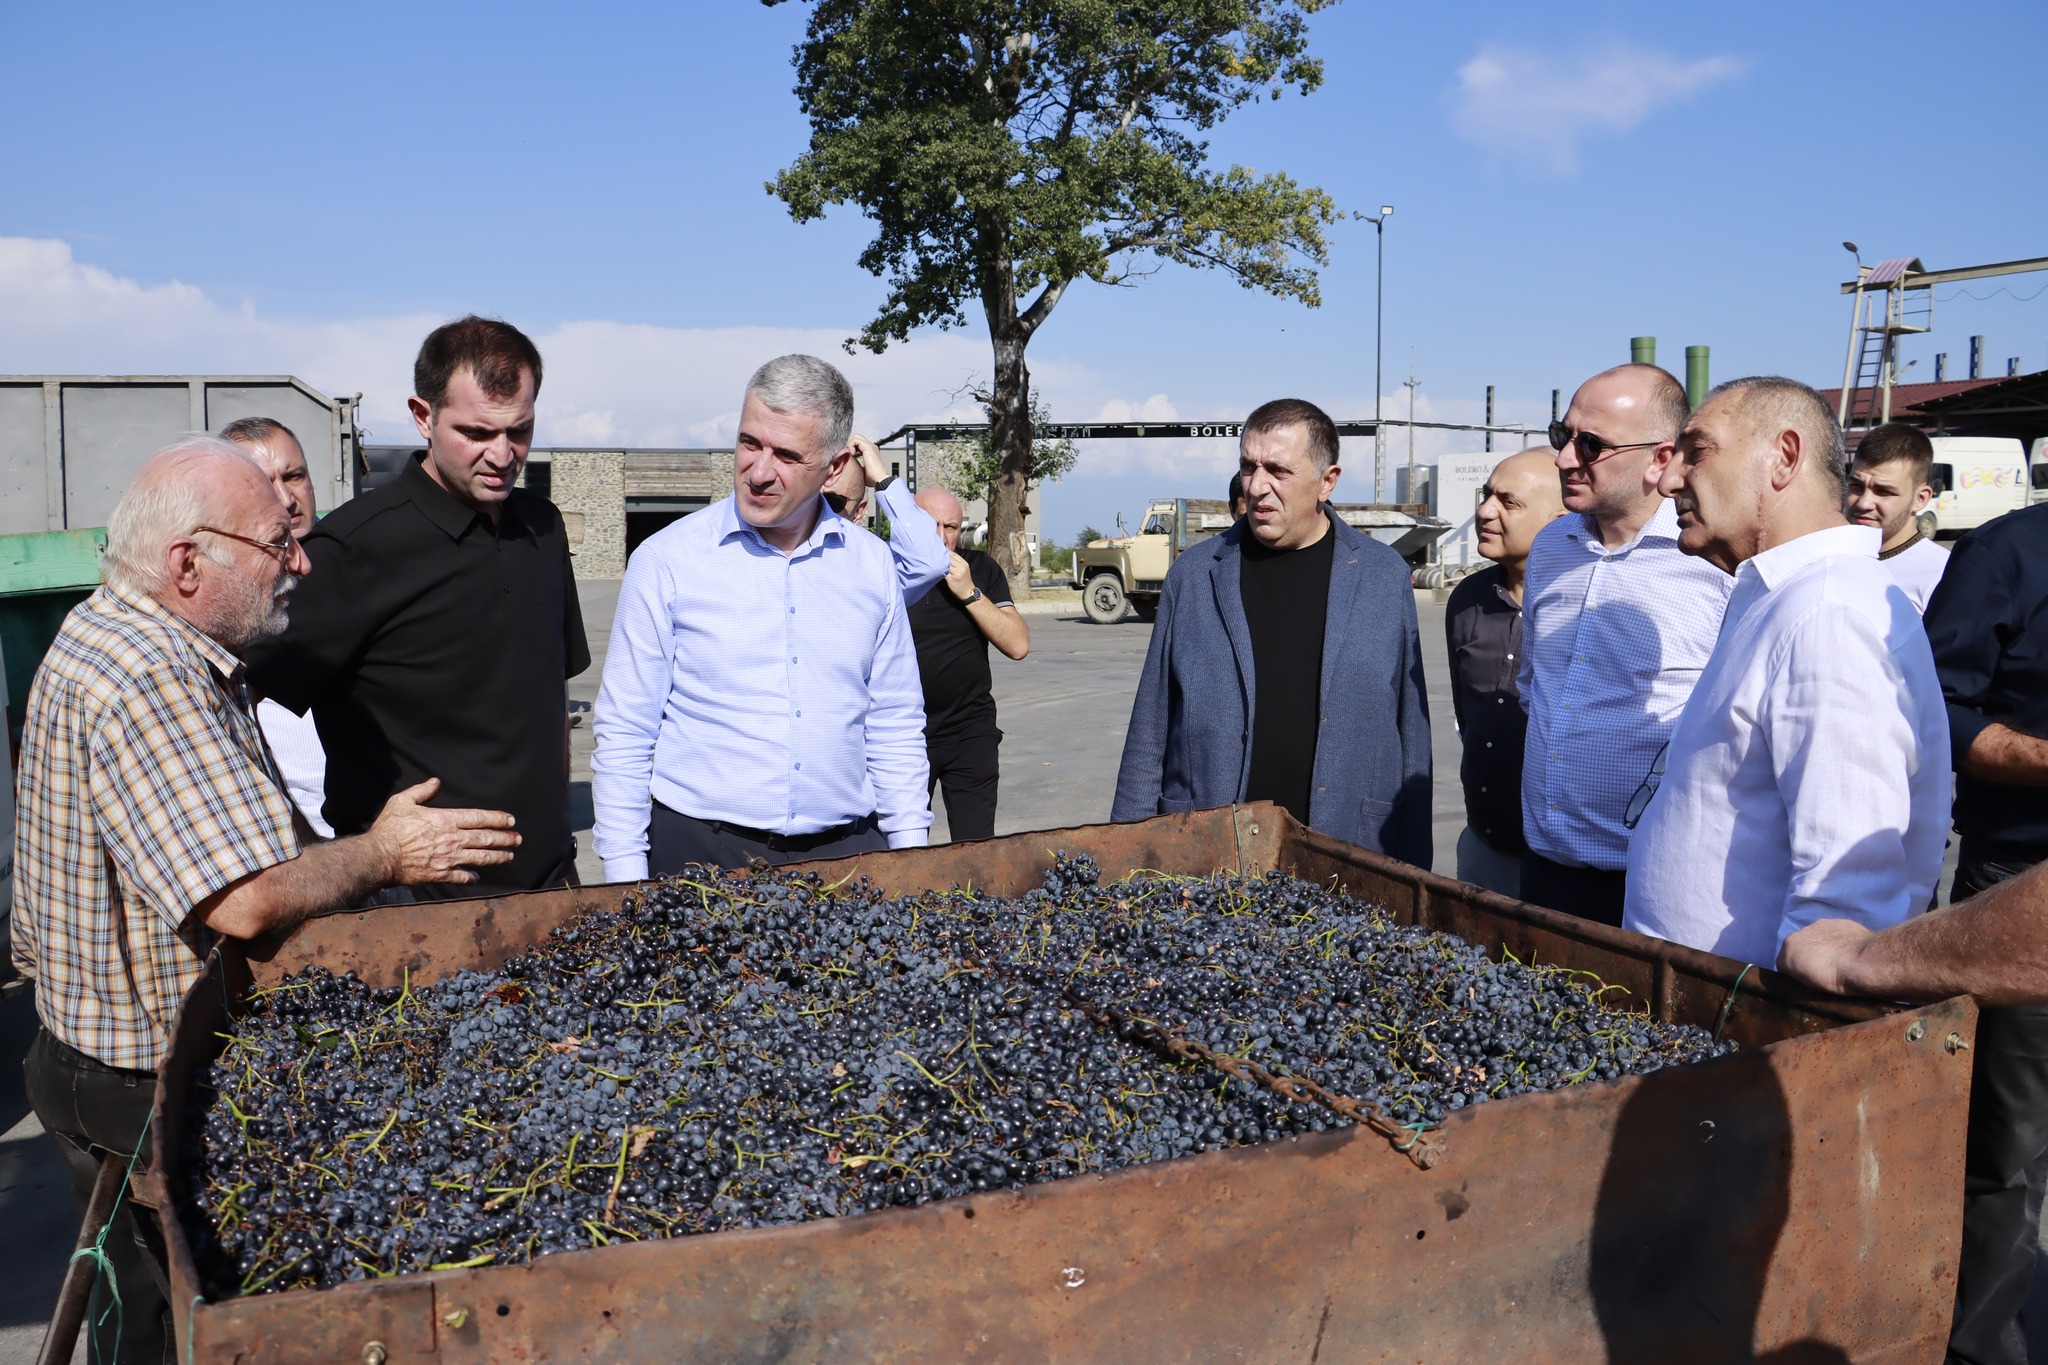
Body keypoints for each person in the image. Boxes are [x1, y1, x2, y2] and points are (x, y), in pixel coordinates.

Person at [9, 438, 519, 1364]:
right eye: (276, 544)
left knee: (137, 1313)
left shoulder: (120, 629)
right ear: (187, 563)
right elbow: (243, 899)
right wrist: (388, 850)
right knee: (175, 1323)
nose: (301, 563)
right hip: (139, 1082)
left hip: (83, 1054)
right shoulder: (150, 678)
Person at [246, 316, 590, 899]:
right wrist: (302, 847)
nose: (503, 454)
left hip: (549, 889)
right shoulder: (352, 551)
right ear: (423, 416)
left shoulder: (543, 528)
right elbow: (229, 702)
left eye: (520, 430)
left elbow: (550, 700)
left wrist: (561, 848)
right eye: (476, 432)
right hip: (414, 907)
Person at [1622, 376, 1946, 970]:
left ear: (1784, 457)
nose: (1667, 480)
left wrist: (1789, 1023)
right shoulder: (1782, 595)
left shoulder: (1828, 615)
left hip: (1745, 1014)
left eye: (1697, 452)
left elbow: (1847, 907)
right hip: (1700, 1001)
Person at [591, 354, 931, 876]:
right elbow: (625, 730)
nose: (759, 472)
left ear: (834, 467)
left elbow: (895, 723)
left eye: (787, 455)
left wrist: (911, 860)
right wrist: (623, 878)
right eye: (750, 443)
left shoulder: (872, 566)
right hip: (698, 859)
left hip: (849, 856)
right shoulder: (666, 561)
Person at [1112, 398, 1431, 863]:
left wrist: (1415, 869)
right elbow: (1151, 725)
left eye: (1278, 470)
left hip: (1347, 850)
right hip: (1211, 855)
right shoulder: (1195, 575)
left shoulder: (1382, 576)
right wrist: (1124, 856)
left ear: (1327, 481)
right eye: (1248, 466)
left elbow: (1411, 732)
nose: (1257, 486)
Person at [1519, 364, 1734, 925]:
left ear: (1660, 459)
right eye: (1562, 436)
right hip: (1543, 871)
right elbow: (1534, 685)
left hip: (1656, 888)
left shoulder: (1712, 563)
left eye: (1590, 445)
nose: (1564, 459)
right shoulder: (1550, 547)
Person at [1913, 488, 2048, 1365]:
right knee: (2007, 1150)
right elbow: (1933, 708)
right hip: (2020, 886)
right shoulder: (2008, 553)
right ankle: (1978, 1347)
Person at [1446, 448, 1564, 896]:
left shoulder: (1583, 605)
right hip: (1483, 847)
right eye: (1486, 495)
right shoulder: (1467, 599)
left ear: (1558, 520)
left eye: (1508, 502)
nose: (1484, 511)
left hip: (1560, 863)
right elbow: (1466, 716)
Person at [220, 416, 331, 837]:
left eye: (294, 476)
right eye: (265, 483)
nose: (286, 499)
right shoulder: (226, 611)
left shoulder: (361, 572)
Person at [906, 487, 1030, 841]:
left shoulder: (979, 569)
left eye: (951, 527)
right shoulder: (883, 566)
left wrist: (969, 592)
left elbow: (1018, 645)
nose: (942, 537)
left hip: (969, 731)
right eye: (932, 525)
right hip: (903, 736)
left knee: (976, 851)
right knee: (901, 851)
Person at [820, 433, 948, 601]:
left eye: (832, 501)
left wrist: (882, 479)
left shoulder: (872, 566)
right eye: (808, 497)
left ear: (858, 512)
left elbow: (929, 564)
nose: (816, 508)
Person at [1845, 421, 1948, 613]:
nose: (1863, 503)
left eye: (1883, 491)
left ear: (1920, 498)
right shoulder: (1831, 558)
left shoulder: (1941, 576)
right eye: (1856, 486)